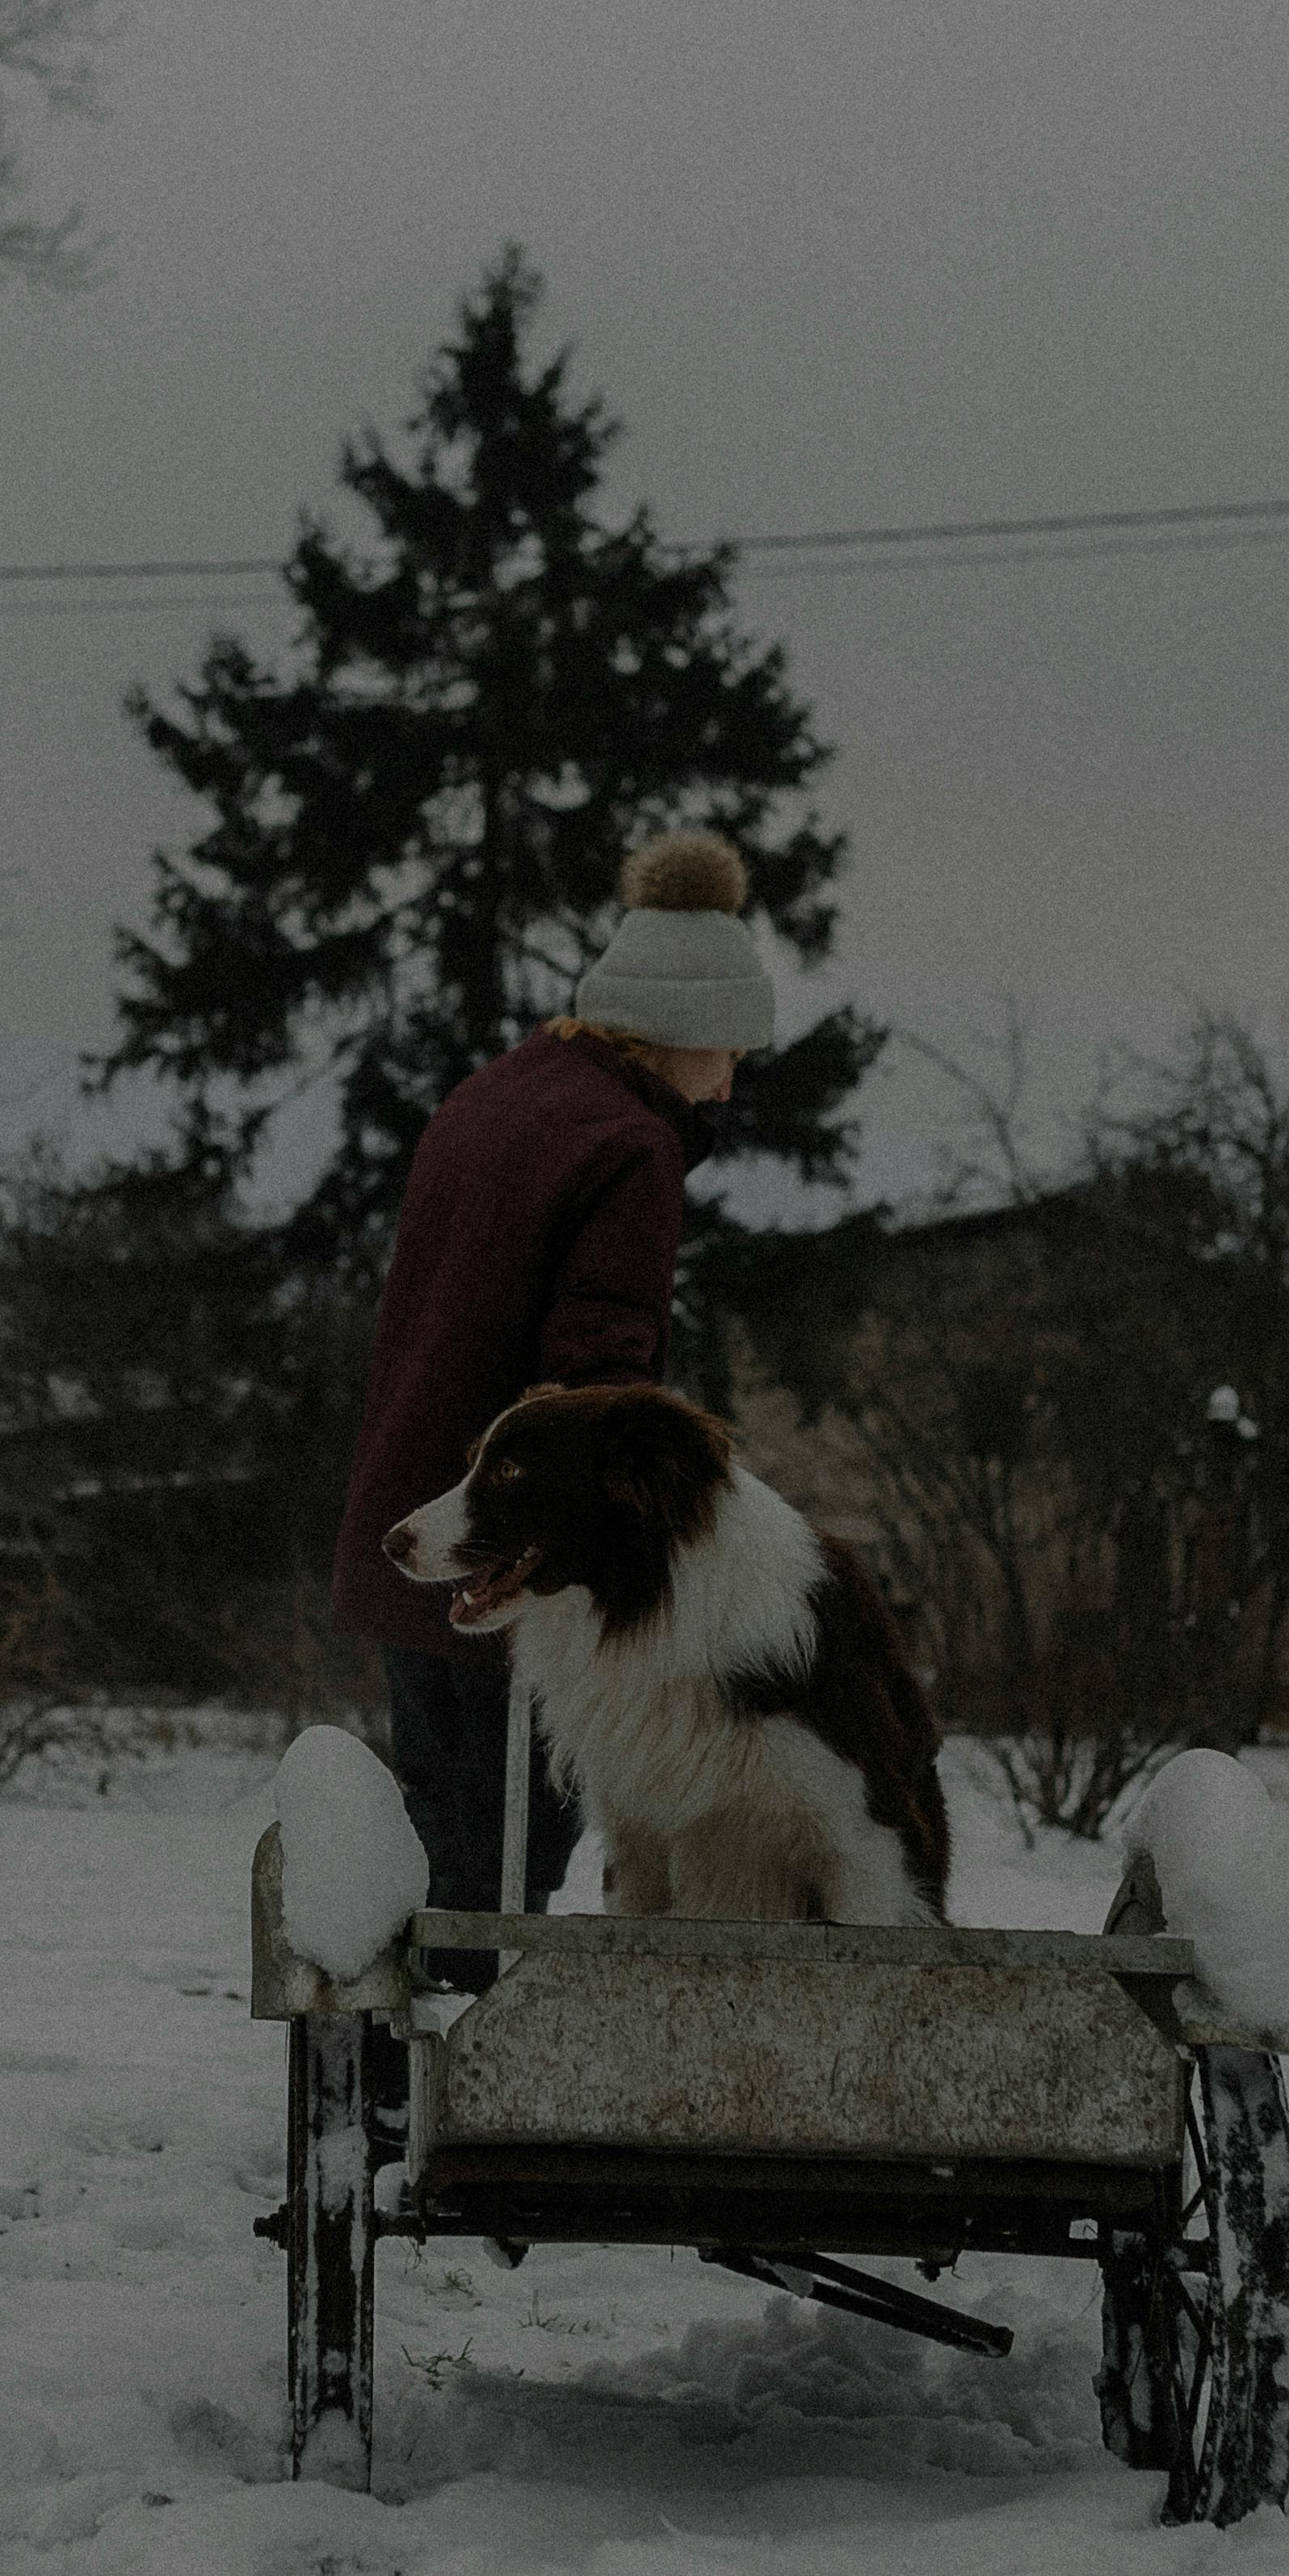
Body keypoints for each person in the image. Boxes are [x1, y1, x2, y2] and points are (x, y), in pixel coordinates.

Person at [329, 829, 775, 1941]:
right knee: (516, 1845)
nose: (729, 1080)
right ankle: (470, 2077)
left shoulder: (492, 1096)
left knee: (442, 1827)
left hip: (413, 1515)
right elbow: (598, 1375)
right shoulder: (628, 1146)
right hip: (512, 1548)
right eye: (728, 1050)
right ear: (679, 1032)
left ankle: (402, 2063)